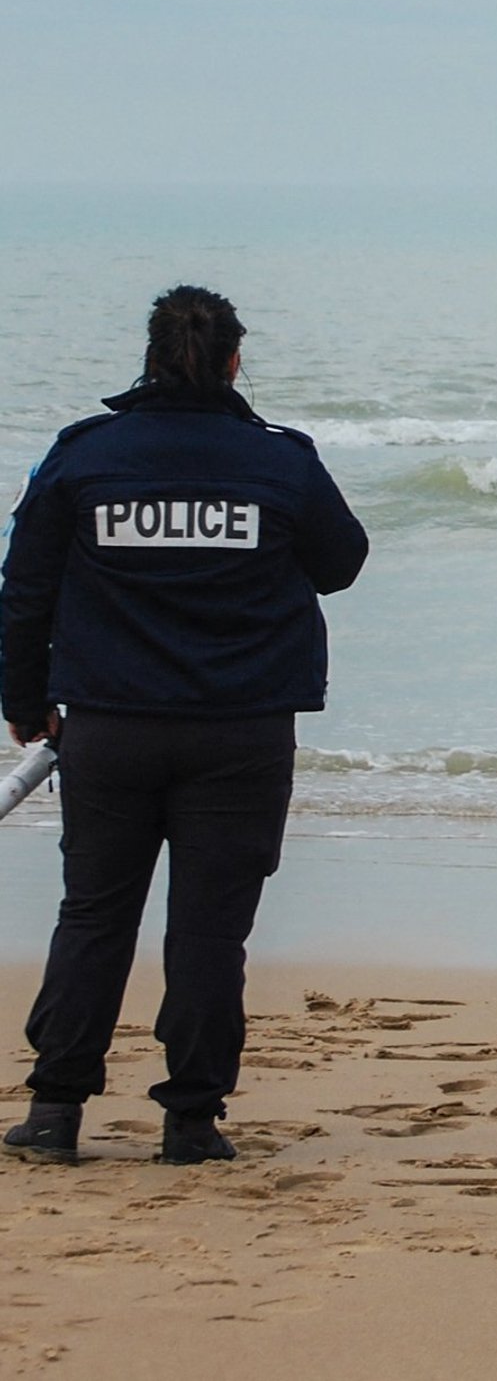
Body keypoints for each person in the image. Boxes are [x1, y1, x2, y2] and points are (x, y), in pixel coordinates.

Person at [0, 286, 369, 1166]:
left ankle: (55, 1112)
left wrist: (22, 702)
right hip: (240, 733)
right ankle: (193, 1123)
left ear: (151, 360)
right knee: (209, 931)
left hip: (110, 729)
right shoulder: (278, 461)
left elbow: (23, 588)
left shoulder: (86, 455)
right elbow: (341, 562)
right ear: (235, 361)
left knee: (94, 916)